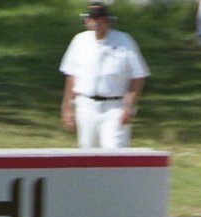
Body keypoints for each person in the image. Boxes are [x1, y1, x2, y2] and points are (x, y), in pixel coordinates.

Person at [59, 2, 150, 148]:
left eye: (100, 19)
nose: (96, 23)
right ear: (87, 21)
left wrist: (129, 106)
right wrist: (66, 107)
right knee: (88, 151)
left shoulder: (124, 41)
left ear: (107, 21)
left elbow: (138, 76)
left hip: (115, 106)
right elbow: (71, 75)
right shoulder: (79, 41)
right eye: (92, 19)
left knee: (114, 150)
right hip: (86, 105)